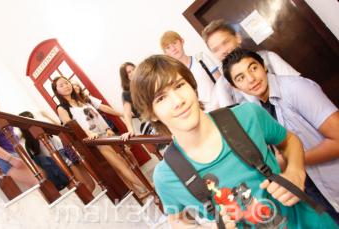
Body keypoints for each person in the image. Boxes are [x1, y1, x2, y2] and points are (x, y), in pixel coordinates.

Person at [129, 54, 337, 228]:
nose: (178, 101)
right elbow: (177, 219)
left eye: (179, 86)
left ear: (192, 86)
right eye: (161, 98)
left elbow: (289, 140)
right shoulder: (166, 176)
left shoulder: (247, 115)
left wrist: (296, 172)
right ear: (152, 113)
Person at [221, 48, 339, 224]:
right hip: (312, 192)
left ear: (263, 66)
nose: (251, 79)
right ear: (235, 87)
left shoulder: (297, 88)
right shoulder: (255, 110)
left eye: (253, 68)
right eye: (241, 78)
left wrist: (294, 161)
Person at [51, 76, 147, 196]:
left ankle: (138, 192)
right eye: (61, 85)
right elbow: (69, 126)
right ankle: (147, 186)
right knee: (120, 165)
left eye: (66, 82)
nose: (66, 86)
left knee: (123, 161)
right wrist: (88, 133)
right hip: (94, 141)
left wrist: (116, 119)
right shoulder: (62, 108)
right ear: (56, 91)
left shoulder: (82, 99)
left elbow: (101, 111)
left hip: (106, 135)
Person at [160, 31, 234, 111]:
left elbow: (221, 82)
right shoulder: (174, 76)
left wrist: (223, 102)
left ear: (182, 41)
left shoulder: (200, 58)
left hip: (224, 105)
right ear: (165, 53)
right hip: (203, 114)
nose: (173, 49)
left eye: (174, 43)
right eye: (168, 47)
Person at [0, 96, 38, 189]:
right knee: (36, 183)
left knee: (36, 185)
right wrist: (11, 159)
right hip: (6, 159)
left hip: (15, 154)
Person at [119, 62, 155, 141]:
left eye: (134, 69)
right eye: (129, 72)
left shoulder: (147, 83)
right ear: (125, 76)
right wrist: (131, 130)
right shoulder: (126, 93)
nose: (133, 72)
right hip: (150, 123)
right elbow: (127, 113)